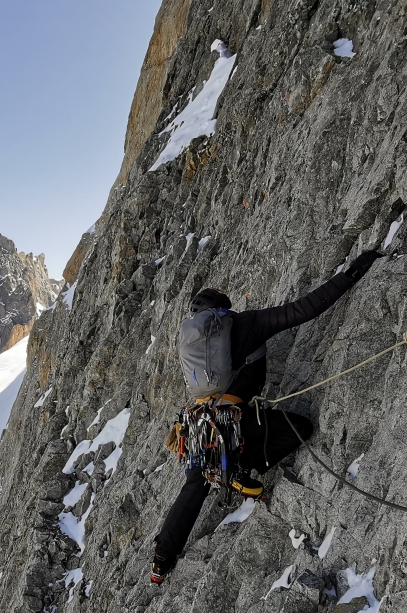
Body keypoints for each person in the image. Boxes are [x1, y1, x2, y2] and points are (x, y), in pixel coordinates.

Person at [151, 249, 382, 584]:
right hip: (236, 423)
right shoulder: (247, 323)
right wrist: (352, 273)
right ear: (224, 308)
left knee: (194, 485)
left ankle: (162, 559)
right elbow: (305, 309)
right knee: (298, 428)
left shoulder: (194, 345)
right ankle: (240, 469)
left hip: (201, 426)